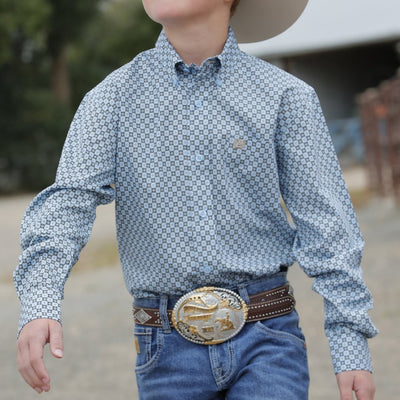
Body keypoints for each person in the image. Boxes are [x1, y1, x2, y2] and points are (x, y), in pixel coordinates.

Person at [14, 0, 377, 398]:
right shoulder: (110, 101)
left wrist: (350, 346)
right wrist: (40, 303)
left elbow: (328, 225)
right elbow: (66, 205)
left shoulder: (284, 97)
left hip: (267, 336)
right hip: (163, 347)